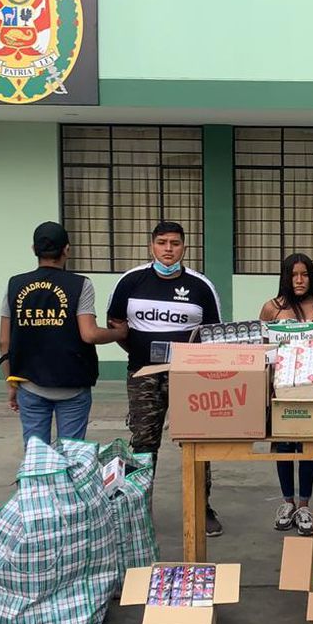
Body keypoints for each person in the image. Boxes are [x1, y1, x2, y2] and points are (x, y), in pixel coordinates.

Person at [107, 221, 225, 536]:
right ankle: (138, 508)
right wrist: (137, 350)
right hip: (143, 374)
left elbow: (214, 335)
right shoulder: (131, 281)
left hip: (189, 376)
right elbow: (116, 323)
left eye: (174, 242)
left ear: (184, 247)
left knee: (197, 441)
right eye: (162, 242)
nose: (168, 248)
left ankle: (203, 507)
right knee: (144, 443)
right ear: (152, 246)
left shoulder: (201, 286)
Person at [0, 221, 127, 446]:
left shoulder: (15, 285)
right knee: (72, 457)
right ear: (67, 249)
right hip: (72, 386)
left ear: (33, 250)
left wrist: (11, 383)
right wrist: (120, 333)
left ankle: (36, 482)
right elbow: (90, 334)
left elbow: (3, 341)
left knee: (36, 458)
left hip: (29, 384)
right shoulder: (80, 285)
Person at [259, 253, 313, 536]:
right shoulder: (271, 309)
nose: (300, 280)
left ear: (311, 277)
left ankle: (305, 505)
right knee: (283, 445)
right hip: (279, 388)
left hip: (310, 391)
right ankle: (287, 503)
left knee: (305, 447)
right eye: (294, 275)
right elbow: (263, 350)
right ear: (285, 277)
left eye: (304, 274)